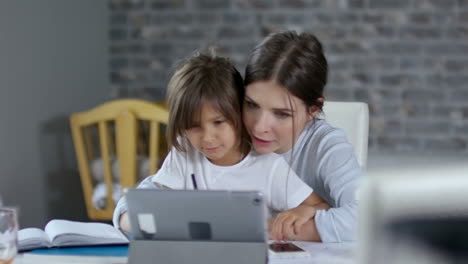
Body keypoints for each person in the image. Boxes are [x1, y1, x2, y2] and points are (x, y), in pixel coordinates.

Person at [113, 52, 329, 238]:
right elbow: (149, 202)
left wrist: (302, 212)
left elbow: (321, 206)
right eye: (193, 126)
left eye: (218, 122)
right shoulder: (185, 151)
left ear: (239, 113)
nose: (208, 138)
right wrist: (128, 217)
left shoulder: (269, 166)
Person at [242, 31, 361, 242]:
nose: (259, 128)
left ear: (313, 109)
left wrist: (262, 230)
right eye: (252, 105)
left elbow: (365, 218)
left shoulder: (327, 146)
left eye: (281, 114)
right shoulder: (225, 135)